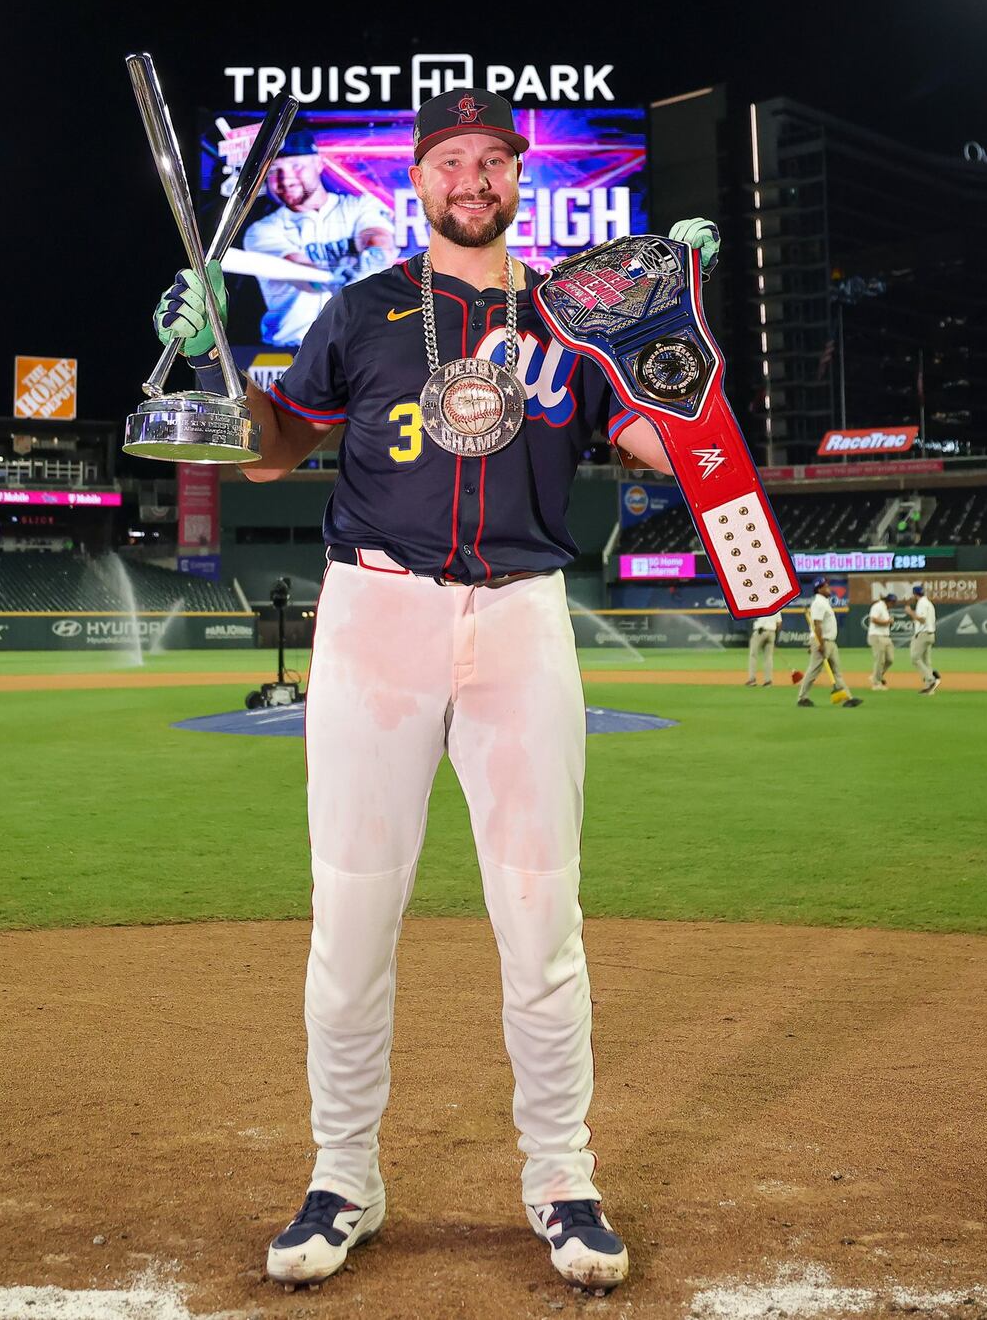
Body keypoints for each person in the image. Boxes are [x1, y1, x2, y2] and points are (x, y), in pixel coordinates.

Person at [154, 87, 717, 1296]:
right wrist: (210, 353)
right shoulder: (360, 309)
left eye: (493, 160)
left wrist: (676, 335)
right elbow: (269, 452)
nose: (473, 178)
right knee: (353, 916)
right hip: (377, 613)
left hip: (521, 616)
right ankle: (343, 1177)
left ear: (519, 176)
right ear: (420, 179)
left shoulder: (573, 318)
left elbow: (672, 450)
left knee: (542, 919)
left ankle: (562, 1179)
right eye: (451, 159)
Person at [240, 129, 396, 347]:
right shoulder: (262, 231)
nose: (286, 180)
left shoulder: (359, 206)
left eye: (296, 166)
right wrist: (331, 277)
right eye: (275, 170)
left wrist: (371, 262)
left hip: (361, 347)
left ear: (318, 164)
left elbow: (378, 237)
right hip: (292, 352)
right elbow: (300, 272)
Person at [796, 576, 861, 708]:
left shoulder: (824, 602)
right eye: (825, 586)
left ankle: (847, 698)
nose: (828, 588)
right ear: (819, 589)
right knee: (813, 671)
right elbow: (817, 625)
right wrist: (820, 644)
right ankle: (802, 698)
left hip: (830, 641)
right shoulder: (818, 603)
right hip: (823, 641)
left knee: (837, 672)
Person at [905, 583, 939, 693]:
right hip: (930, 634)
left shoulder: (922, 603)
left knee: (915, 658)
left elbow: (922, 619)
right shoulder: (928, 603)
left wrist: (910, 612)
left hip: (923, 634)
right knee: (926, 661)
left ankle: (931, 679)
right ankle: (929, 688)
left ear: (915, 594)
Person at [867, 591, 898, 690]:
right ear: (888, 601)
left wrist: (889, 622)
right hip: (876, 635)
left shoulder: (885, 609)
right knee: (880, 660)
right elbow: (873, 619)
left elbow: (885, 622)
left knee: (890, 659)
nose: (893, 605)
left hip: (885, 636)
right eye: (893, 602)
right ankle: (876, 684)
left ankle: (875, 676)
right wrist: (887, 621)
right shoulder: (877, 606)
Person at [745, 609, 782, 686]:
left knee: (753, 656)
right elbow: (779, 623)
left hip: (760, 631)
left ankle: (752, 680)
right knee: (768, 657)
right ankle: (768, 681)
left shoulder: (759, 605)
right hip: (772, 633)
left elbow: (751, 619)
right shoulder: (776, 606)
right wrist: (776, 640)